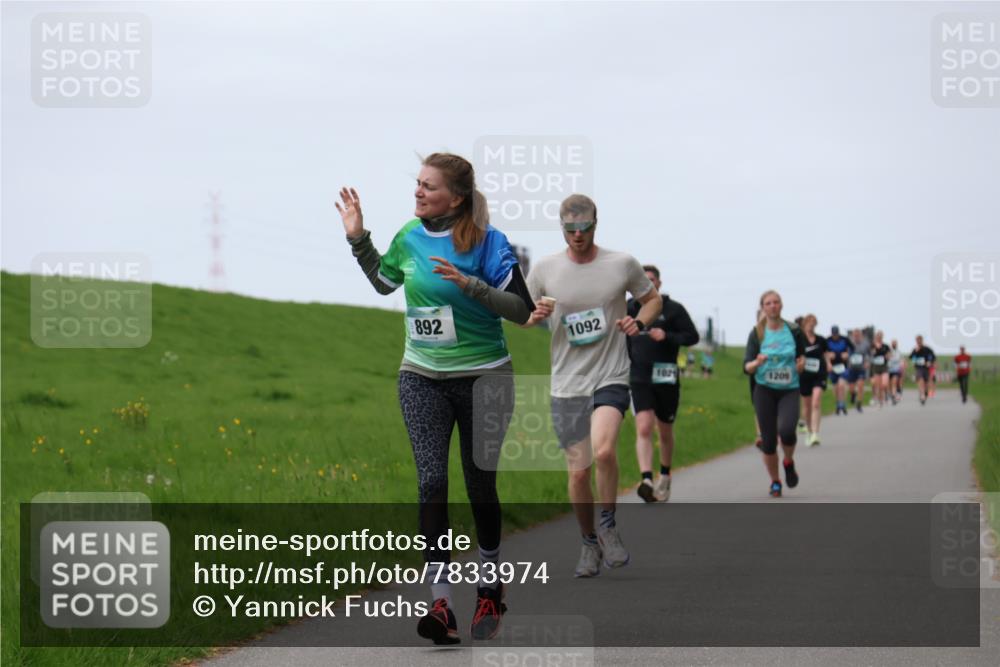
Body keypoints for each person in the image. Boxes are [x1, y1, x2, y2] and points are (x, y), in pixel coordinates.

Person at [338, 153, 535, 644]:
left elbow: (521, 309)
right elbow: (385, 283)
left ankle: (490, 583)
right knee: (430, 481)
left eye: (429, 187)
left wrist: (471, 285)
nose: (419, 193)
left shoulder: (489, 243)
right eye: (418, 185)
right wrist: (358, 238)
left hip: (486, 377)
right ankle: (441, 602)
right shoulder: (409, 236)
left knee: (479, 484)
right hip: (421, 375)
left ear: (457, 196)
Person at [524, 194, 661, 577]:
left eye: (583, 229)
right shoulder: (546, 268)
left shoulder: (621, 263)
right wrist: (533, 314)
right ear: (562, 228)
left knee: (603, 452)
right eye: (570, 230)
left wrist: (641, 321)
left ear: (595, 224)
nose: (577, 236)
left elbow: (652, 300)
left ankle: (608, 526)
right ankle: (588, 543)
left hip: (611, 374)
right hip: (567, 381)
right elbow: (521, 316)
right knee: (578, 472)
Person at [625, 265, 699, 503]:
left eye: (651, 280)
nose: (647, 284)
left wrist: (667, 336)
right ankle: (646, 479)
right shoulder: (629, 308)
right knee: (644, 427)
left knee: (664, 430)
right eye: (642, 280)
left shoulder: (674, 309)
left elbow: (692, 336)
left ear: (659, 283)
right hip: (639, 376)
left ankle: (665, 475)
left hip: (666, 376)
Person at [743, 290, 805, 497]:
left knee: (787, 430)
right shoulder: (757, 333)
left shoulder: (794, 330)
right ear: (763, 307)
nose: (772, 306)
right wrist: (757, 362)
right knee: (768, 441)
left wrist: (801, 365)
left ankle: (788, 461)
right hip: (764, 390)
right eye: (768, 303)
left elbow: (802, 358)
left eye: (776, 302)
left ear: (781, 305)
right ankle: (775, 481)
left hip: (789, 388)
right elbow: (747, 367)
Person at [798, 314, 828, 446]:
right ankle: (809, 431)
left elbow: (826, 355)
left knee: (816, 402)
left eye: (813, 323)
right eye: (809, 323)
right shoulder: (799, 340)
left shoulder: (821, 340)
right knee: (807, 406)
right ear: (804, 324)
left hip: (819, 374)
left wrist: (829, 364)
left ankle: (816, 433)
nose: (811, 325)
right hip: (804, 375)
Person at [826, 325, 853, 415]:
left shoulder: (844, 339)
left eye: (836, 334)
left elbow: (853, 348)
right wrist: (828, 356)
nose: (835, 336)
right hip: (832, 367)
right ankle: (838, 403)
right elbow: (823, 352)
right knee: (835, 387)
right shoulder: (828, 340)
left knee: (841, 385)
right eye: (834, 334)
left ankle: (843, 403)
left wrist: (848, 354)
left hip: (843, 366)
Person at [847, 328, 870, 413]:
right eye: (855, 335)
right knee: (851, 389)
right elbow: (846, 353)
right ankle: (853, 394)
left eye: (858, 335)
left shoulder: (865, 344)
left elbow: (868, 354)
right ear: (853, 336)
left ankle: (859, 403)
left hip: (861, 368)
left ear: (860, 335)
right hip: (851, 368)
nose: (856, 337)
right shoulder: (849, 344)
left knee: (860, 386)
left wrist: (867, 362)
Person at [909, 335, 936, 405]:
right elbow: (911, 357)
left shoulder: (927, 349)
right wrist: (915, 353)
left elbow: (932, 356)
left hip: (926, 368)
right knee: (920, 380)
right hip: (918, 368)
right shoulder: (915, 349)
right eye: (917, 340)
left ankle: (925, 392)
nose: (918, 341)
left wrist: (929, 362)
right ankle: (922, 395)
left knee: (926, 383)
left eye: (920, 340)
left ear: (922, 340)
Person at [869, 331, 892, 407]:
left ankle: (886, 395)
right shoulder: (872, 346)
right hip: (876, 367)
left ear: (882, 337)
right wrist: (873, 350)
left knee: (884, 384)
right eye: (878, 336)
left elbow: (889, 355)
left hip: (884, 367)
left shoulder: (885, 346)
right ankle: (880, 401)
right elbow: (870, 354)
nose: (879, 337)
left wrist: (888, 356)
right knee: (878, 385)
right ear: (876, 337)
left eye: (880, 336)